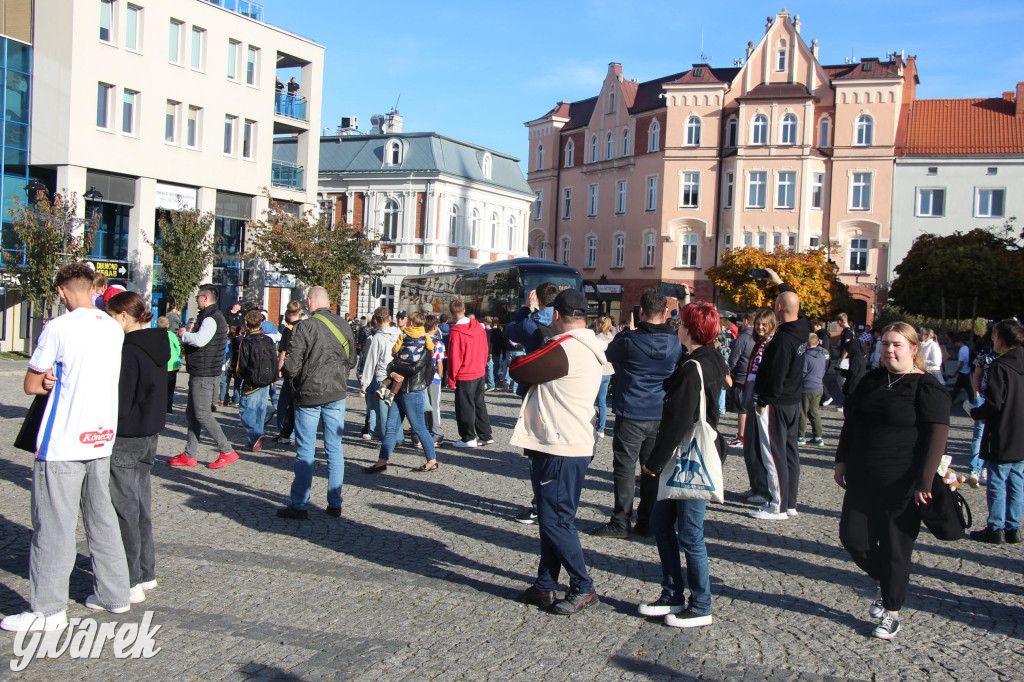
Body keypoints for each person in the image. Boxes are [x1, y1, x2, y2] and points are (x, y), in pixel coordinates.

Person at [0, 263, 130, 632]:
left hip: (63, 441)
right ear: (93, 288)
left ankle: (48, 610)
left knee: (53, 525)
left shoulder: (57, 328)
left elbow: (31, 384)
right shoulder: (112, 326)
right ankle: (114, 593)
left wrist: (49, 378)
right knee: (101, 515)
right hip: (101, 435)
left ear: (60, 291)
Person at [835, 322, 951, 640]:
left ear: (914, 349)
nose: (889, 350)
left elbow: (937, 437)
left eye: (897, 345)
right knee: (853, 537)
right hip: (862, 476)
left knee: (896, 548)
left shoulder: (927, 386)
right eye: (885, 344)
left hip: (902, 482)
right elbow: (851, 424)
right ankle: (888, 581)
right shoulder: (871, 381)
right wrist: (841, 460)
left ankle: (892, 610)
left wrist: (925, 482)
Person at [511, 289, 607, 615]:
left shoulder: (566, 348)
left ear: (556, 316)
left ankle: (583, 585)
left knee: (555, 521)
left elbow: (519, 369)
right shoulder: (590, 346)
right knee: (554, 518)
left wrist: (531, 320)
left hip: (560, 444)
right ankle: (545, 584)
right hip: (571, 440)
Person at [639, 301, 727, 628]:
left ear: (689, 328)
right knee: (662, 524)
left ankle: (701, 604)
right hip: (688, 454)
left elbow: (678, 420)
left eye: (681, 322)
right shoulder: (704, 357)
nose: (676, 326)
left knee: (690, 535)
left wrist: (653, 462)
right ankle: (672, 592)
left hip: (690, 456)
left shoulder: (694, 367)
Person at [592, 289, 682, 538]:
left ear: (641, 312)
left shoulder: (630, 340)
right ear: (665, 313)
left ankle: (621, 521)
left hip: (631, 410)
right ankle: (647, 520)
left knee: (624, 468)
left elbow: (609, 354)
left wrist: (628, 333)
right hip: (659, 412)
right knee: (652, 468)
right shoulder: (675, 342)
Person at [105, 291, 169, 606]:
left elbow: (121, 399)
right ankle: (146, 572)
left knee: (124, 508)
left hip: (128, 435)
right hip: (150, 432)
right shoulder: (158, 343)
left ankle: (130, 580)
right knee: (141, 505)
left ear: (124, 316)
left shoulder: (129, 351)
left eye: (111, 316)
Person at [278, 286, 354, 520]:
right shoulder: (344, 325)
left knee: (306, 451)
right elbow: (351, 361)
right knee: (334, 448)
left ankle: (300, 504)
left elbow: (291, 366)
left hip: (309, 394)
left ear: (310, 301)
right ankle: (335, 503)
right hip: (336, 393)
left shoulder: (305, 326)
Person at [749, 268, 812, 520]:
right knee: (789, 453)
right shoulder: (802, 328)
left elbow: (775, 375)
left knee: (773, 453)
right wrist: (780, 284)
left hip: (776, 402)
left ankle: (777, 505)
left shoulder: (782, 341)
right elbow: (793, 305)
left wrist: (763, 401)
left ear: (777, 309)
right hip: (793, 401)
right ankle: (790, 502)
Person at [506, 283, 561, 523]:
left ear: (537, 299)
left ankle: (539, 506)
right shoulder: (562, 324)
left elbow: (510, 330)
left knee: (536, 452)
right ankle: (555, 502)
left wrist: (526, 309)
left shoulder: (530, 323)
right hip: (560, 391)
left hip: (535, 391)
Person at [170, 285, 239, 469]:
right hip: (201, 369)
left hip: (204, 371)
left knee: (201, 414)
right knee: (192, 413)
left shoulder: (211, 318)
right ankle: (189, 454)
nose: (196, 300)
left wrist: (184, 335)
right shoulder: (211, 317)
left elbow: (200, 340)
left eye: (198, 297)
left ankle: (226, 450)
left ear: (205, 298)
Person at [968, 319, 1024, 544]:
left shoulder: (1000, 366)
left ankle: (996, 527)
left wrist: (976, 412)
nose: (992, 338)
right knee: (1017, 480)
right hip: (1021, 432)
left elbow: (994, 403)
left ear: (1001, 339)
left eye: (994, 335)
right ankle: (1014, 527)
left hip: (1002, 430)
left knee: (997, 480)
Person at [363, 312, 439, 474]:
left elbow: (413, 368)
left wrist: (395, 369)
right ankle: (382, 462)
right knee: (390, 427)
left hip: (413, 391)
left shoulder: (426, 346)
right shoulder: (404, 340)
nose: (405, 324)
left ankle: (432, 460)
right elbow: (391, 363)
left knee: (418, 427)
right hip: (399, 391)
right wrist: (392, 372)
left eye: (409, 322)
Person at [738, 309, 777, 506]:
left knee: (758, 447)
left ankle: (763, 489)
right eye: (758, 324)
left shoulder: (770, 345)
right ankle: (755, 485)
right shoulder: (758, 344)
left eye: (764, 324)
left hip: (760, 398)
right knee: (749, 446)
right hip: (751, 394)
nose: (760, 327)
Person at [446, 300, 493, 448]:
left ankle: (468, 437)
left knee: (465, 406)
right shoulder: (478, 327)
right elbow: (486, 348)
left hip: (465, 373)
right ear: (464, 309)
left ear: (452, 313)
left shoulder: (456, 332)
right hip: (479, 370)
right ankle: (485, 435)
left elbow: (455, 357)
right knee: (479, 404)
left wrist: (451, 379)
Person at [236, 310, 278, 452]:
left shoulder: (246, 341)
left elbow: (241, 364)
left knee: (246, 411)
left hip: (251, 381)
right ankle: (254, 442)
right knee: (260, 412)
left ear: (247, 325)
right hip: (266, 380)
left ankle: (255, 436)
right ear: (261, 323)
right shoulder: (268, 340)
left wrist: (241, 376)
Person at [373, 311, 435, 405]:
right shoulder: (425, 335)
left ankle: (383, 386)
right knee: (400, 378)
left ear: (410, 323)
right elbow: (430, 347)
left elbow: (396, 348)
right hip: (413, 361)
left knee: (396, 374)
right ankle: (391, 395)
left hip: (401, 359)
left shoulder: (404, 334)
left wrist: (394, 353)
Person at [359, 307, 401, 442]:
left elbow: (371, 361)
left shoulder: (377, 338)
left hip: (382, 377)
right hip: (398, 376)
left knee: (383, 414)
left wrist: (365, 383)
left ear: (376, 320)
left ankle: (388, 440)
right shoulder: (399, 333)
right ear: (390, 318)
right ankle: (399, 438)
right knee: (396, 411)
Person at [274, 301, 304, 445]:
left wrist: (279, 369)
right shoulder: (304, 326)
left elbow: (283, 353)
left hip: (289, 368)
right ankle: (294, 431)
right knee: (296, 402)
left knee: (284, 402)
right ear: (300, 311)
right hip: (301, 368)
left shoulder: (288, 329)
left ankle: (284, 430)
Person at [727, 312, 756, 447]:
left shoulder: (743, 338)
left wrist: (729, 370)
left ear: (745, 321)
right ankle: (748, 435)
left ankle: (742, 436)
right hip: (753, 375)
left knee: (742, 408)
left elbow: (734, 358)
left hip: (741, 375)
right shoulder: (758, 337)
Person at [798, 333, 827, 446]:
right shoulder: (822, 356)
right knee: (814, 412)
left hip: (806, 387)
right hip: (818, 386)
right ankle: (818, 436)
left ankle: (800, 436)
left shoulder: (806, 357)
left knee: (802, 412)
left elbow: (803, 372)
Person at [593, 316, 615, 438]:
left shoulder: (596, 339)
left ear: (600, 325)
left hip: (598, 371)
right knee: (602, 402)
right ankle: (601, 428)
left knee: (592, 400)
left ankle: (596, 425)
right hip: (608, 372)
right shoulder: (612, 338)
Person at [837, 313, 866, 399]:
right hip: (849, 357)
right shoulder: (851, 330)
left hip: (846, 358)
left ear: (840, 321)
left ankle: (846, 399)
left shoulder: (847, 331)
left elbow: (847, 346)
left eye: (837, 322)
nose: (837, 324)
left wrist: (842, 359)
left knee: (843, 380)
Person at [158, 316, 181, 413]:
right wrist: (178, 354)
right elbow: (177, 347)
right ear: (168, 325)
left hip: (161, 364)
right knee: (171, 387)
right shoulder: (171, 335)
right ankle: (169, 406)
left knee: (161, 386)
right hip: (172, 365)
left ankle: (160, 405)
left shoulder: (156, 335)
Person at [949, 335, 976, 404]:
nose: (955, 345)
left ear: (959, 342)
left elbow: (961, 363)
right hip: (966, 370)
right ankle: (971, 400)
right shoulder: (966, 348)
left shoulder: (961, 350)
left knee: (962, 388)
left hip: (962, 371)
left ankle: (971, 401)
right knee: (960, 387)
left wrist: (956, 372)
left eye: (955, 343)